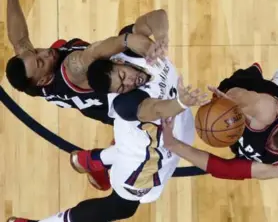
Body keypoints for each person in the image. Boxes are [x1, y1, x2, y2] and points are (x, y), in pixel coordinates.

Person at [8, 39, 210, 222]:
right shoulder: (121, 98)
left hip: (135, 123)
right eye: (122, 82)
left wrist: (147, 35)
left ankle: (92, 160)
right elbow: (154, 108)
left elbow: (20, 39)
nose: (129, 82)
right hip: (141, 142)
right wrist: (181, 102)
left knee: (136, 137)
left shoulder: (129, 57)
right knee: (123, 207)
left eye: (123, 76)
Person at [4, 0, 168, 125]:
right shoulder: (71, 68)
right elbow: (93, 53)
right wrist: (126, 40)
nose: (45, 53)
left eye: (36, 51)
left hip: (107, 97)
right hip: (127, 102)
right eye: (41, 62)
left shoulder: (31, 79)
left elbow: (19, 40)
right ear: (44, 80)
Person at [161, 65, 278, 180]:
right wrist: (227, 102)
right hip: (253, 91)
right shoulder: (266, 110)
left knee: (274, 90)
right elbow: (244, 97)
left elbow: (228, 169)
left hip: (247, 131)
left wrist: (173, 144)